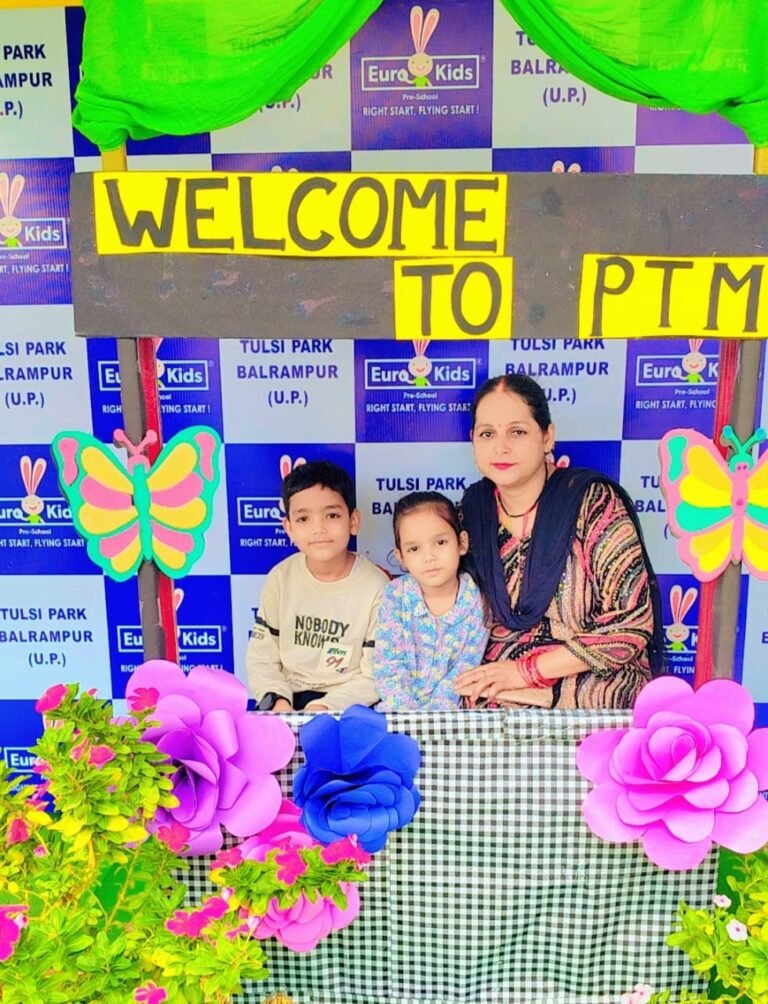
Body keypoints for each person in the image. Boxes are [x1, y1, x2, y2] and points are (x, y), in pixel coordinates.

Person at [454, 374, 663, 710]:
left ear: (547, 436)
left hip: (591, 676)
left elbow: (632, 623)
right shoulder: (471, 513)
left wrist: (527, 672)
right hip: (500, 681)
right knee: (463, 697)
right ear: (473, 441)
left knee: (594, 698)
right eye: (487, 433)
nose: (500, 447)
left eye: (517, 432)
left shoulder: (592, 502)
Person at [246, 460, 389, 713]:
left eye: (332, 515)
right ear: (288, 528)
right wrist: (277, 700)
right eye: (303, 519)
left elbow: (375, 675)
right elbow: (261, 658)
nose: (319, 529)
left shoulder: (377, 587)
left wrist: (325, 706)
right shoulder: (280, 578)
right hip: (287, 700)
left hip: (350, 705)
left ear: (353, 521)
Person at [373, 492, 489, 710]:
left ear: (461, 543)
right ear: (401, 557)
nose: (429, 557)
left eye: (440, 542)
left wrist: (434, 715)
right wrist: (406, 713)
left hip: (449, 713)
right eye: (414, 549)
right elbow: (388, 664)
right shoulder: (395, 595)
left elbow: (465, 667)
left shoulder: (477, 600)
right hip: (397, 711)